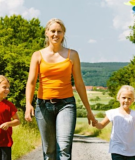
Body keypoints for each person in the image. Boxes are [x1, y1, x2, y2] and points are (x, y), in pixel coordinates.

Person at [24, 18, 97, 160]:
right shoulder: (37, 55)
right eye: (53, 31)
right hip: (43, 105)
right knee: (49, 150)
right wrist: (28, 104)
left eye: (59, 31)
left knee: (64, 148)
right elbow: (31, 82)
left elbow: (79, 84)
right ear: (46, 33)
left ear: (64, 34)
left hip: (66, 105)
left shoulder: (72, 55)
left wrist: (89, 110)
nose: (55, 34)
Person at [95, 85, 135, 160]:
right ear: (118, 98)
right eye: (124, 98)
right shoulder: (112, 113)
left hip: (130, 151)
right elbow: (101, 125)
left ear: (133, 100)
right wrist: (95, 123)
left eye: (129, 98)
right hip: (116, 149)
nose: (126, 100)